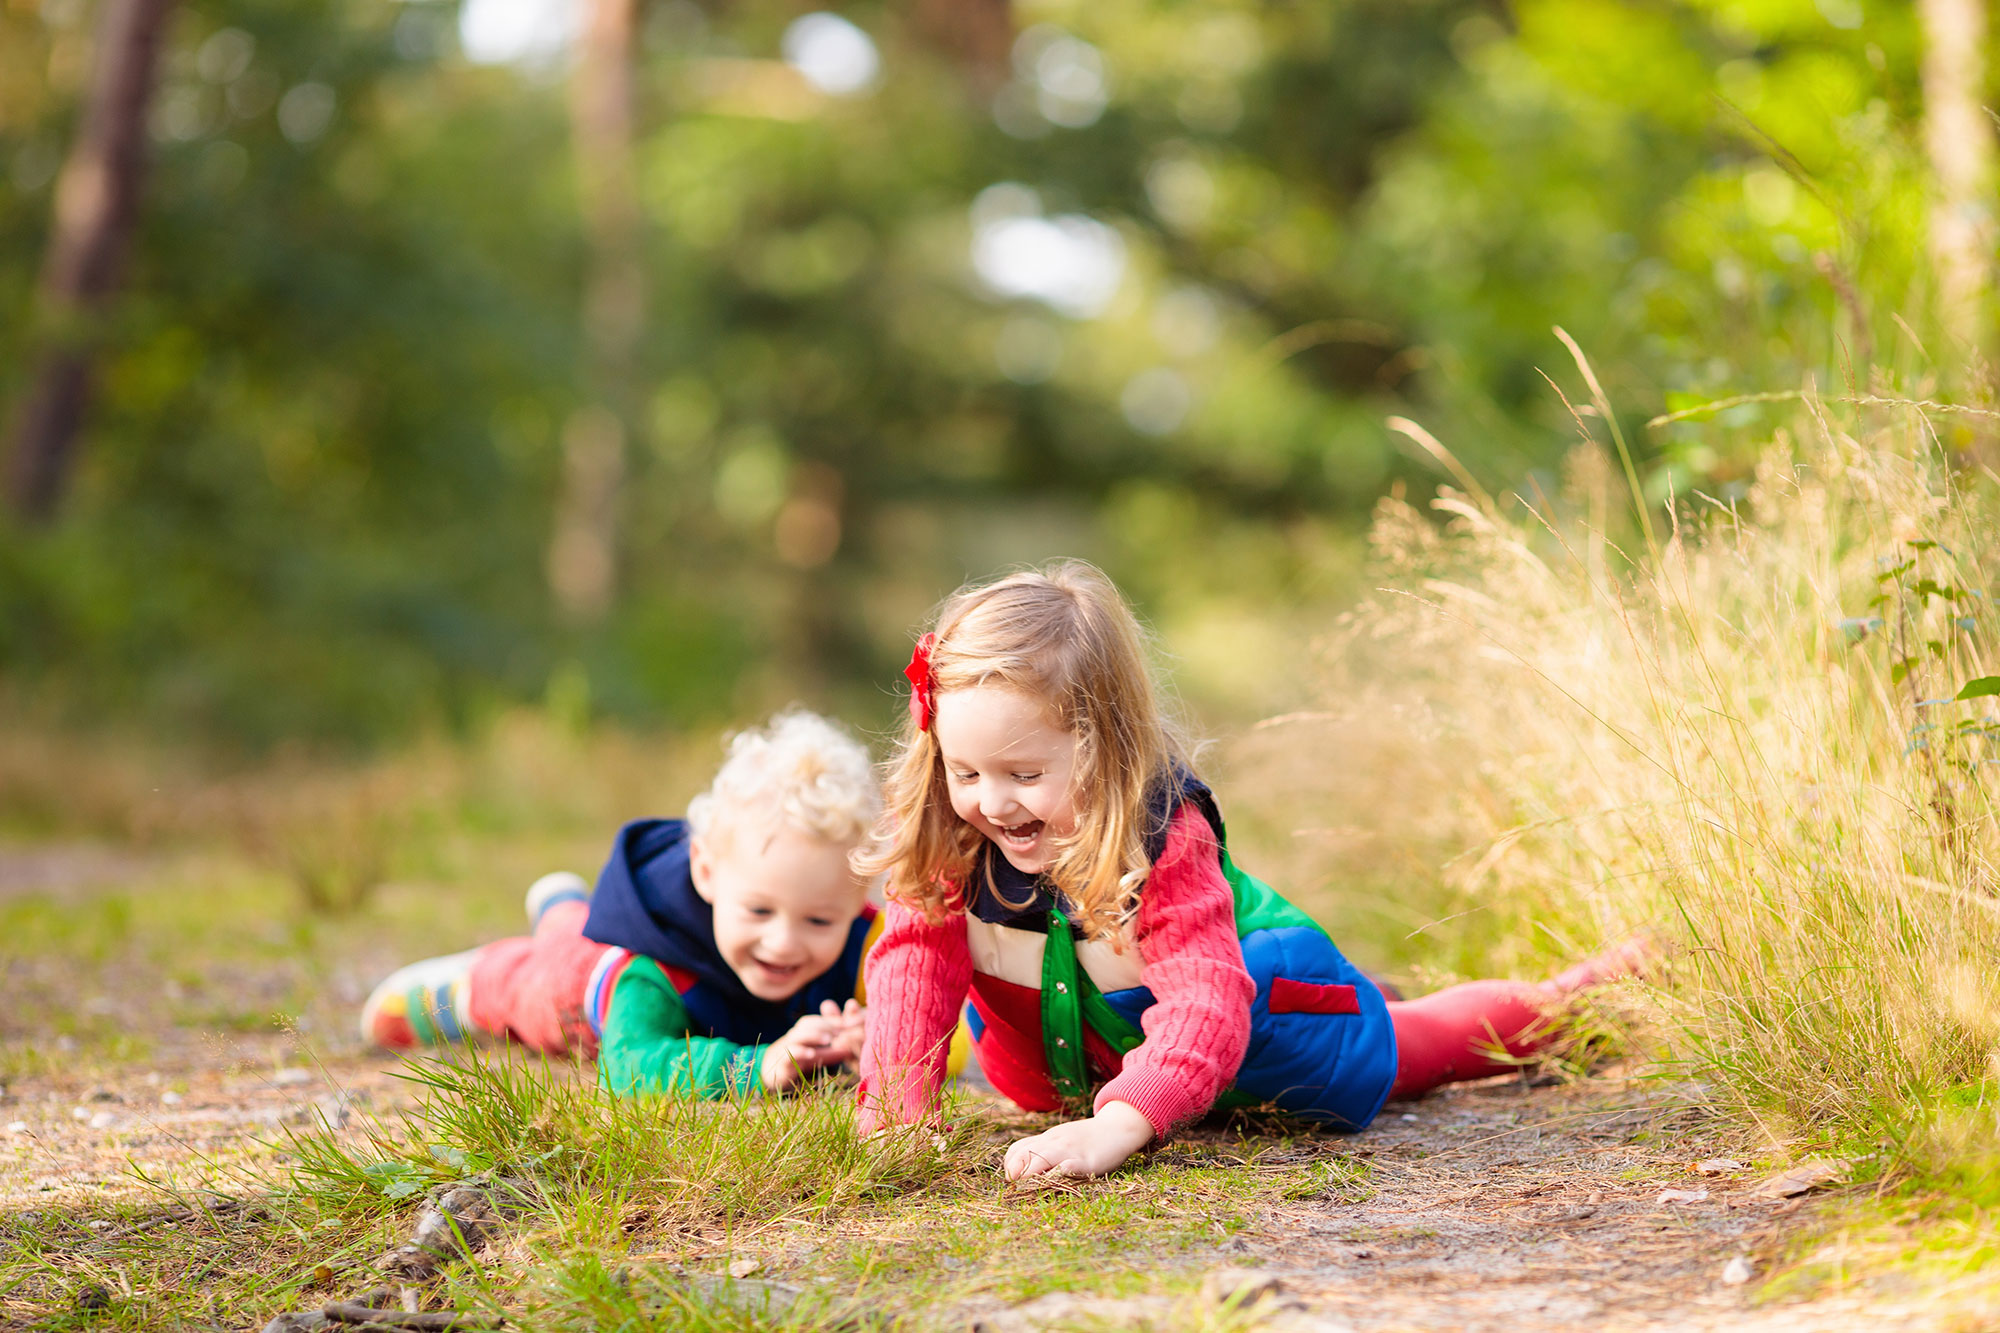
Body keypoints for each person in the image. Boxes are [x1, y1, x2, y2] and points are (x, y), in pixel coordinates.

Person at [854, 561, 1646, 1179]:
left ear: (1103, 747)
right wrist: (895, 1113)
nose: (992, 801)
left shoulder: (1163, 832)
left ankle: (1598, 992)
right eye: (967, 772)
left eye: (1024, 775)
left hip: (1264, 1025)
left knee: (1425, 1039)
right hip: (1087, 1052)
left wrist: (1118, 1125)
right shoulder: (942, 831)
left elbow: (1205, 996)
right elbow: (915, 969)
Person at [360, 710, 880, 1098]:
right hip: (579, 985)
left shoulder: (863, 941)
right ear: (706, 873)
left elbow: (930, 1029)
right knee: (534, 973)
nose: (784, 940)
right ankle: (471, 979)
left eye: (818, 919)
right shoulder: (651, 973)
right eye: (759, 911)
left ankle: (560, 903)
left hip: (597, 938)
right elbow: (630, 1063)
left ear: (856, 899)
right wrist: (757, 1068)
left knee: (571, 923)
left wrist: (869, 1037)